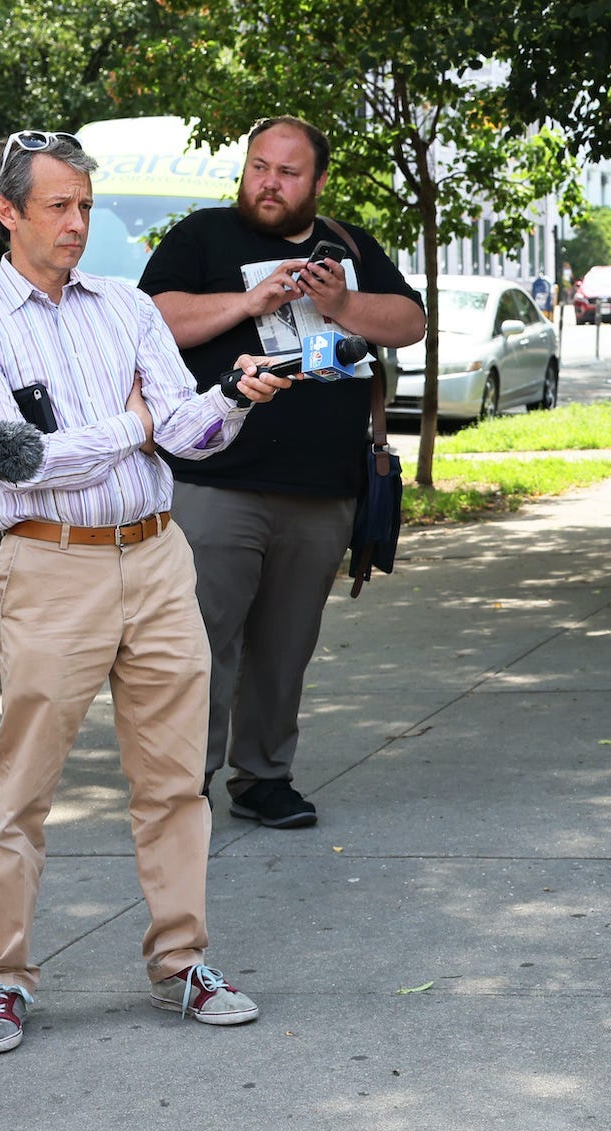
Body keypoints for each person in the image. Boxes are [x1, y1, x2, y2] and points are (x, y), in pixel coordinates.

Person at [0, 130, 294, 1055]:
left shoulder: (129, 307)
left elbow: (183, 430)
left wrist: (232, 399)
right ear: (7, 210)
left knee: (177, 780)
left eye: (86, 206)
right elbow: (17, 462)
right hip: (50, 566)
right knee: (23, 788)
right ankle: (1, 980)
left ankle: (181, 961)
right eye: (58, 206)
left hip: (157, 556)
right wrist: (131, 422)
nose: (77, 223)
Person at [140, 115, 423, 829]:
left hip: (321, 487)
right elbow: (151, 320)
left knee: (286, 645)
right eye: (259, 166)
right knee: (200, 643)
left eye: (287, 172)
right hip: (215, 482)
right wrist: (250, 300)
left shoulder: (349, 249)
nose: (269, 182)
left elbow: (410, 322)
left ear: (318, 182)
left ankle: (264, 776)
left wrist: (341, 303)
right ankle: (182, 786)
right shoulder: (202, 237)